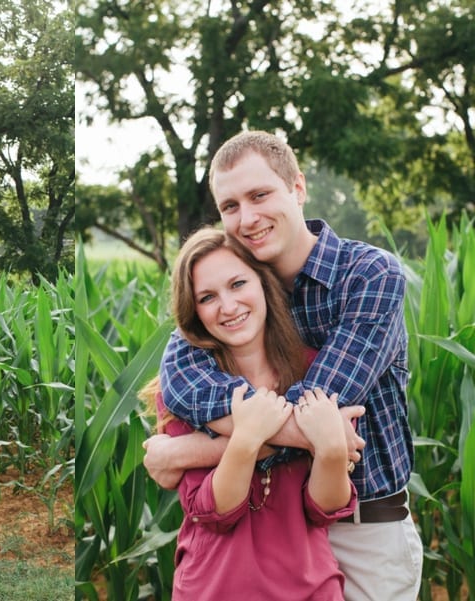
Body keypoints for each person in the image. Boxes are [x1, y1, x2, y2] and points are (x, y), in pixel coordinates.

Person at [145, 130, 423, 600]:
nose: (247, 218)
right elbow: (183, 382)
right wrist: (316, 430)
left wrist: (185, 452)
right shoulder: (238, 284)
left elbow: (320, 407)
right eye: (230, 206)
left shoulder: (368, 275)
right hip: (275, 539)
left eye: (259, 195)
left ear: (297, 187)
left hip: (364, 531)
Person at [145, 227, 357, 599]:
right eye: (207, 297)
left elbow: (324, 509)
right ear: (193, 311)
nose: (228, 307)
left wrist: (332, 451)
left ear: (263, 283)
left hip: (311, 589)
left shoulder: (317, 372)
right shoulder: (184, 391)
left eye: (238, 284)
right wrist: (245, 437)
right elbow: (214, 511)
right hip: (213, 590)